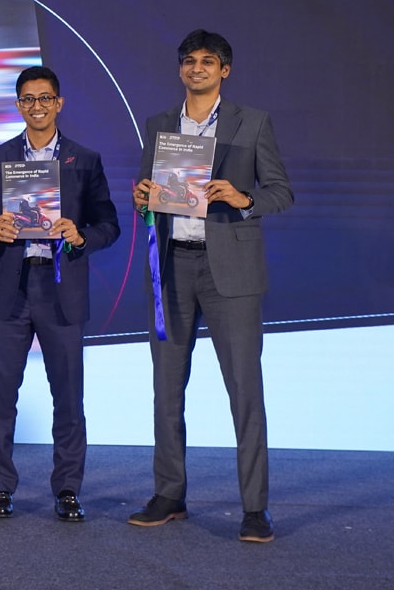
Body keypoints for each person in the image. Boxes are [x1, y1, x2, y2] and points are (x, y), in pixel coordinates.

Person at [129, 29, 294, 543]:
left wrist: (243, 198)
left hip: (232, 271)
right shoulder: (160, 125)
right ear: (180, 68)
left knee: (244, 390)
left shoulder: (253, 122)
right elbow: (147, 200)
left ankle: (255, 507)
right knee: (165, 388)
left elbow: (281, 192)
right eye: (188, 60)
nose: (196, 68)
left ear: (225, 69)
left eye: (207, 61)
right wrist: (141, 198)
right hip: (172, 267)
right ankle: (169, 494)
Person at [0, 66, 120, 521]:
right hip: (9, 289)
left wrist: (81, 235)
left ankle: (68, 488)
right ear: (19, 105)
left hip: (61, 289)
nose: (37, 106)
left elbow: (109, 224)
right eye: (28, 99)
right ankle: (1, 488)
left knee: (68, 397)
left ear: (59, 103)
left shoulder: (84, 159)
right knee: (0, 396)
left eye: (45, 98)